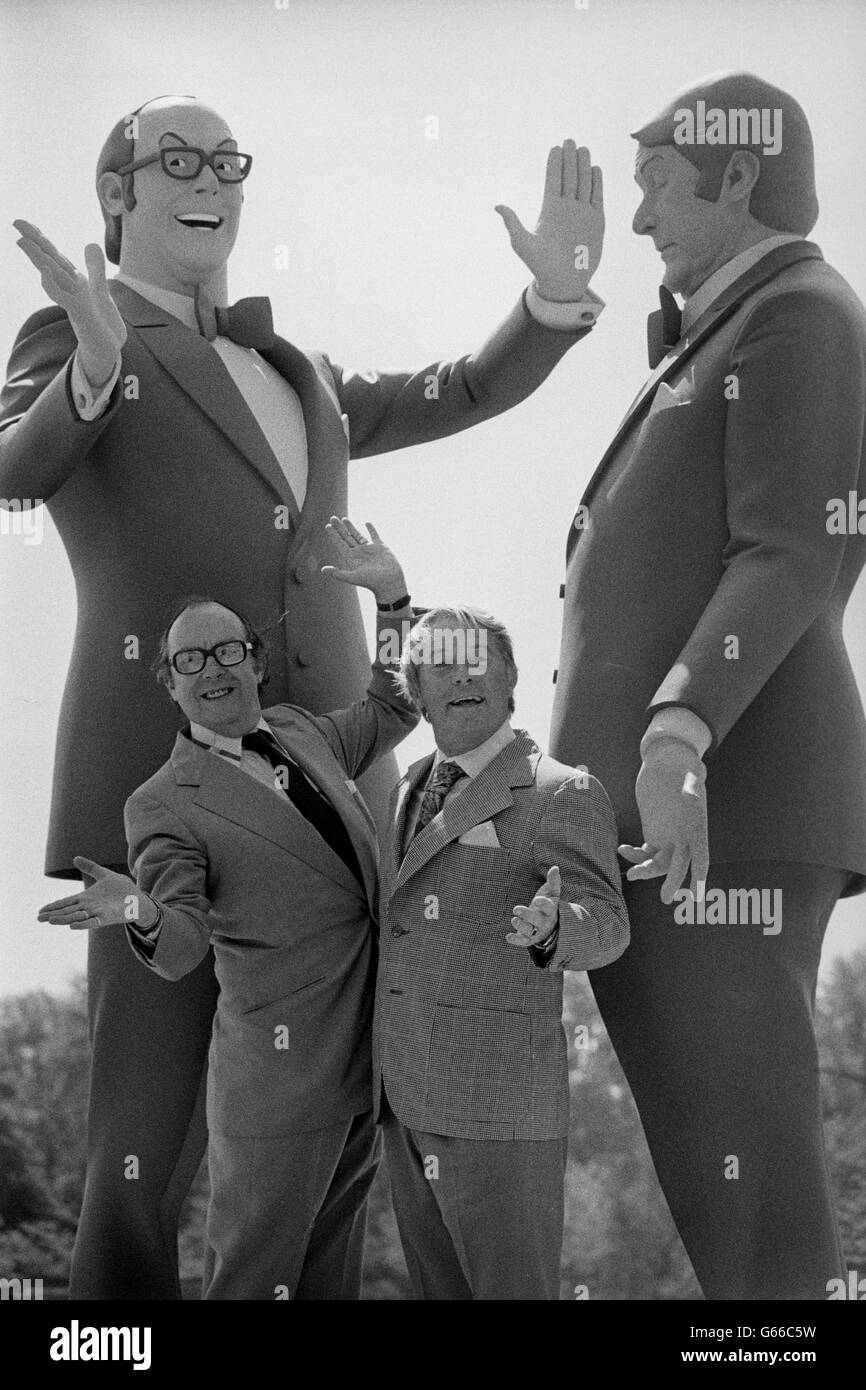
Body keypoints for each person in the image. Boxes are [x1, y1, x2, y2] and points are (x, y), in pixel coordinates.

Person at [1, 94, 604, 1298]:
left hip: (336, 802)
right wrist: (96, 369)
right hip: (161, 790)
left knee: (325, 1132)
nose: (208, 176)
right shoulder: (72, 334)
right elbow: (13, 466)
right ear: (116, 193)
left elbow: (456, 390)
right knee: (148, 1132)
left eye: (225, 159)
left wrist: (549, 302)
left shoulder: (300, 372)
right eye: (175, 157)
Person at [548, 71, 866, 1299]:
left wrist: (675, 734)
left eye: (655, 189)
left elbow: (791, 546)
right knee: (721, 1215)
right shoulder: (736, 326)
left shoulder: (799, 314)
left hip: (721, 809)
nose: (634, 223)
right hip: (670, 822)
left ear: (738, 176)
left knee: (757, 1219)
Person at [39, 518, 417, 1300]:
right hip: (277, 1084)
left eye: (224, 651)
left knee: (327, 1284)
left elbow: (393, 708)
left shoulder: (303, 731)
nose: (210, 670)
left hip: (367, 1061)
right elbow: (180, 947)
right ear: (171, 685)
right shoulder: (162, 804)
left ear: (255, 661)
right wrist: (139, 908)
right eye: (188, 661)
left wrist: (392, 601)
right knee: (251, 1283)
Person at [373, 606, 629, 1299]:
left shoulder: (560, 791)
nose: (461, 675)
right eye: (440, 664)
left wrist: (554, 929)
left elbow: (608, 921)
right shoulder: (405, 788)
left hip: (500, 1112)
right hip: (405, 1102)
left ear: (511, 677)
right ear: (415, 692)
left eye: (477, 659)